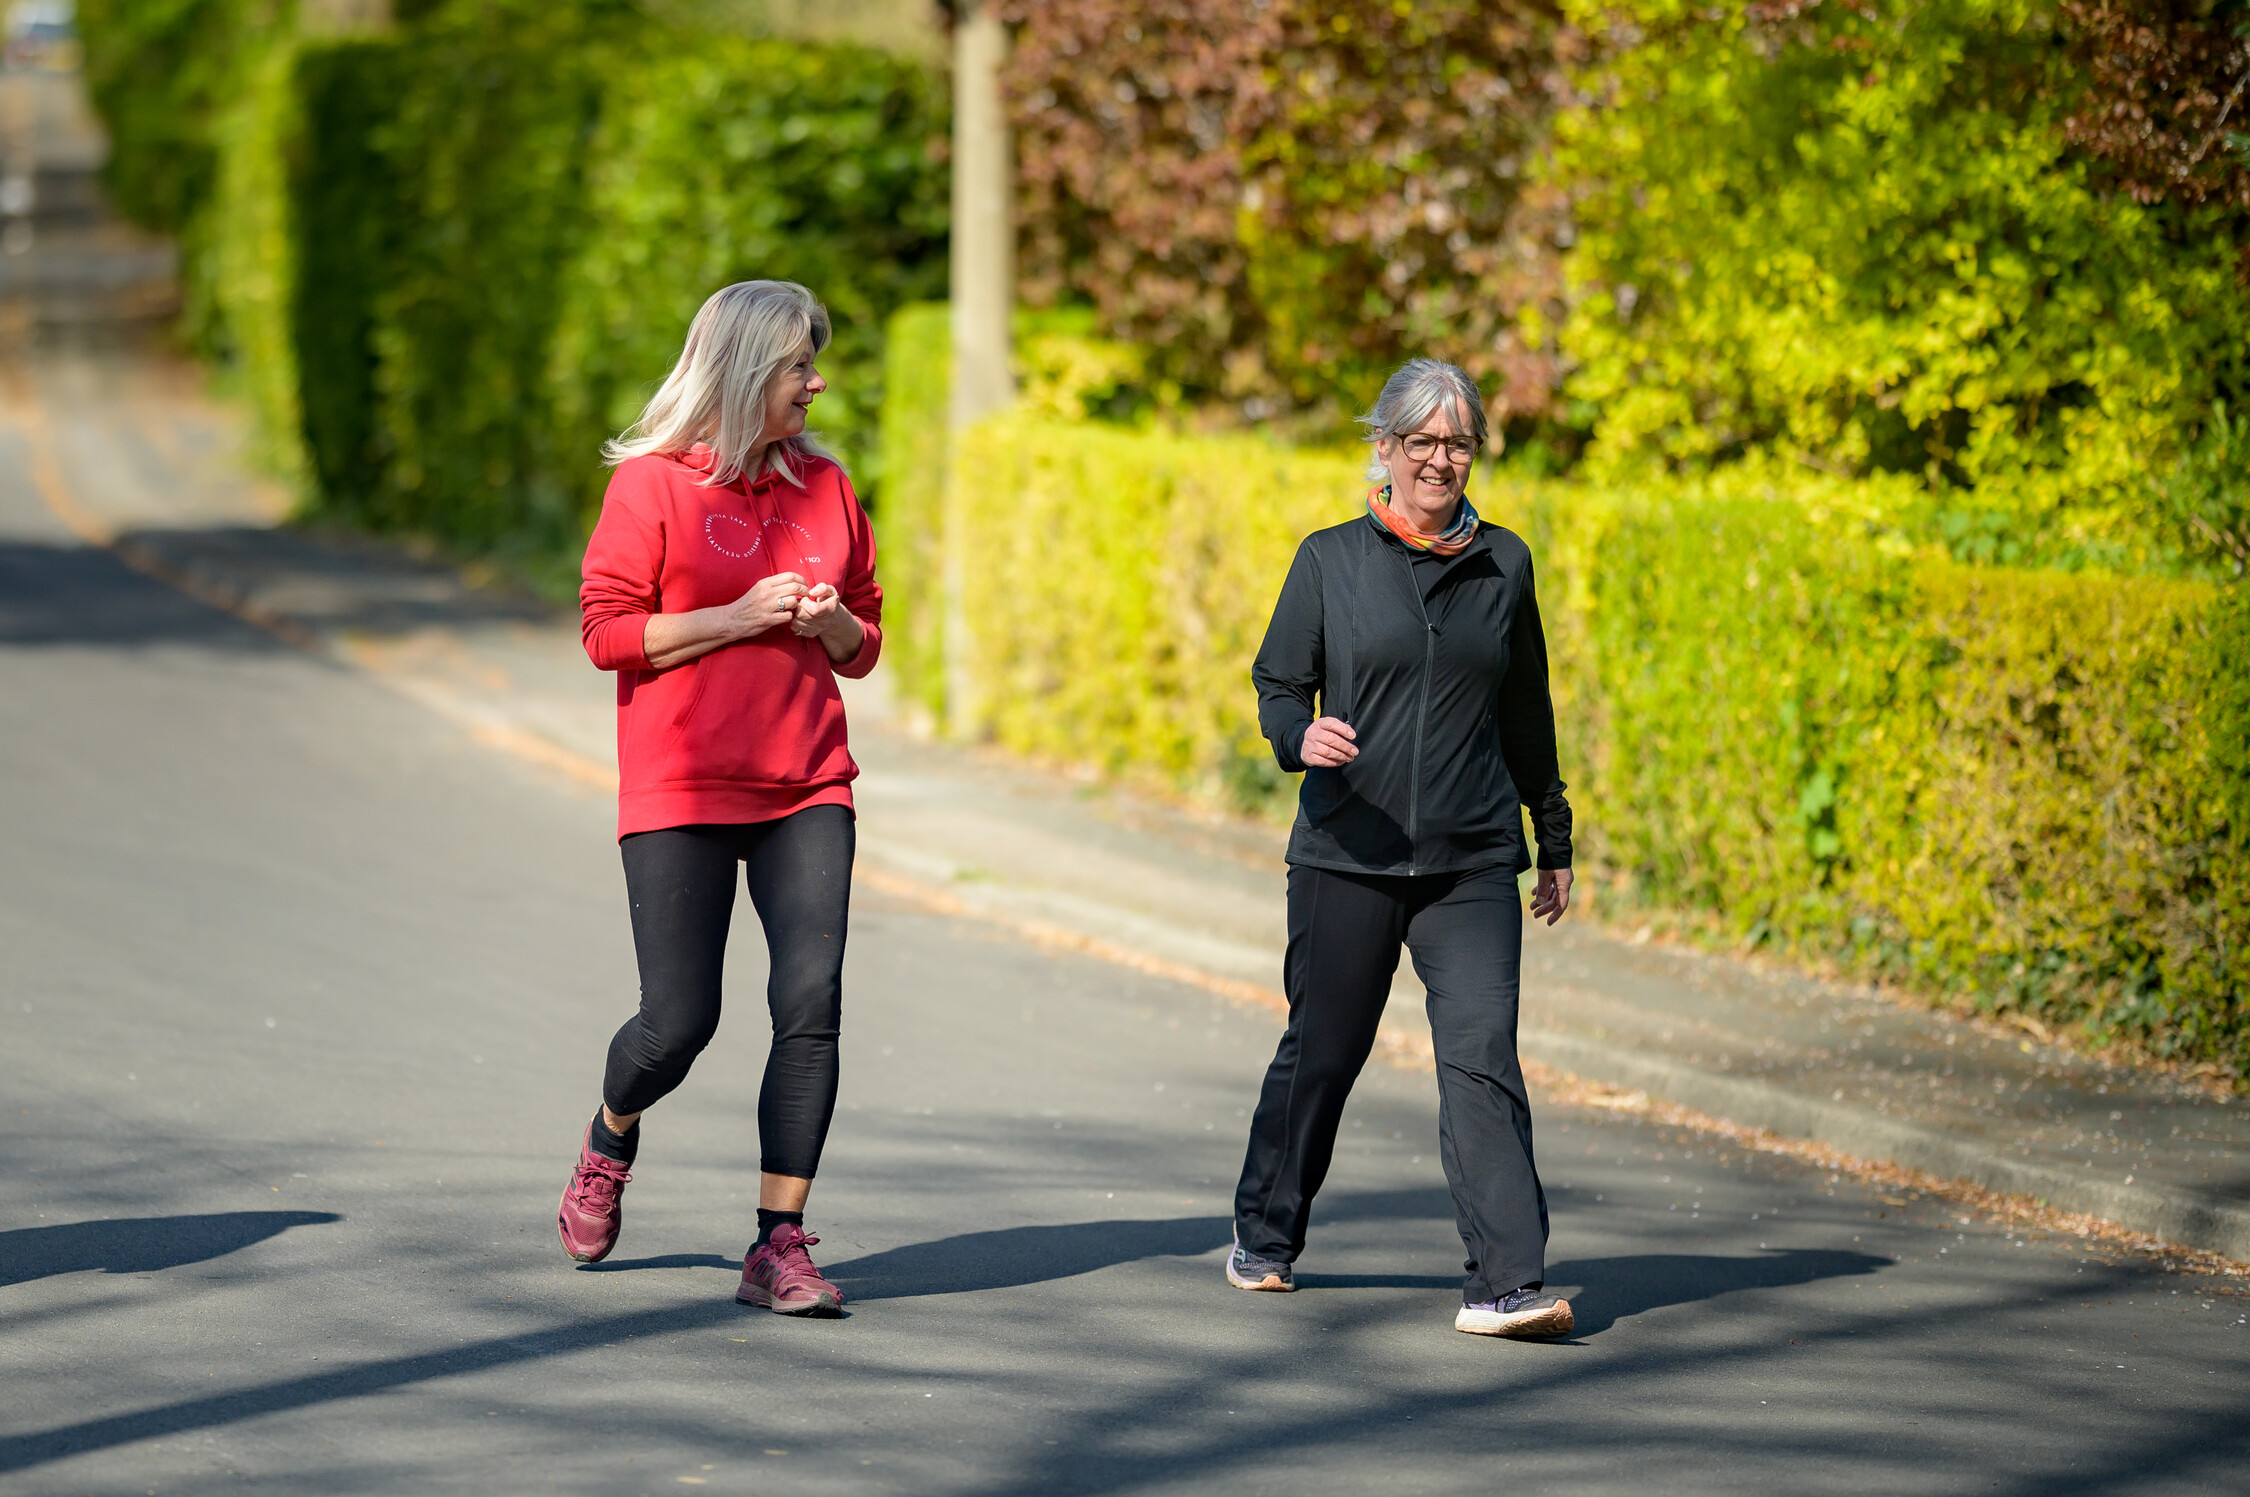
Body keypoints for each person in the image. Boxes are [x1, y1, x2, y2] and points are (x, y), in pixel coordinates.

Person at [1225, 358, 1577, 1339]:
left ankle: (1505, 1284)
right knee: (1325, 1052)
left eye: (1458, 443)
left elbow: (1526, 711)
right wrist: (1300, 739)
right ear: (1382, 447)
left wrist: (1552, 837)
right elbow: (1278, 683)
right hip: (1349, 853)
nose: (1440, 461)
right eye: (1420, 441)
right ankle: (1266, 1227)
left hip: (1469, 862)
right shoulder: (1329, 560)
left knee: (1481, 1058)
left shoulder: (1505, 566)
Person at [555, 280, 881, 1317]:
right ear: (746, 373)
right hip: (682, 780)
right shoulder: (649, 488)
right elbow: (608, 632)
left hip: (806, 781)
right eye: (798, 366)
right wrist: (738, 615)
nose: (815, 382)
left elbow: (866, 643)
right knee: (678, 1021)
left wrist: (830, 624)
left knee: (811, 1004)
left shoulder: (826, 489)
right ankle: (610, 1138)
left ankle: (777, 1245)